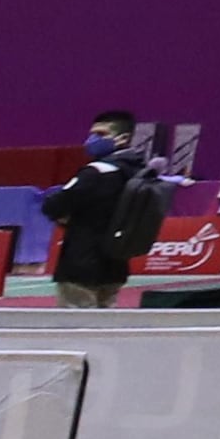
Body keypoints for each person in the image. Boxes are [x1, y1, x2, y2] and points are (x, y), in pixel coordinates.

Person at [44, 108, 164, 307]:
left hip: (81, 264)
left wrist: (65, 216)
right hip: (116, 265)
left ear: (123, 138)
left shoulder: (97, 172)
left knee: (74, 329)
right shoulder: (141, 172)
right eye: (91, 134)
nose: (91, 139)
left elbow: (53, 206)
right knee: (106, 326)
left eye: (101, 134)